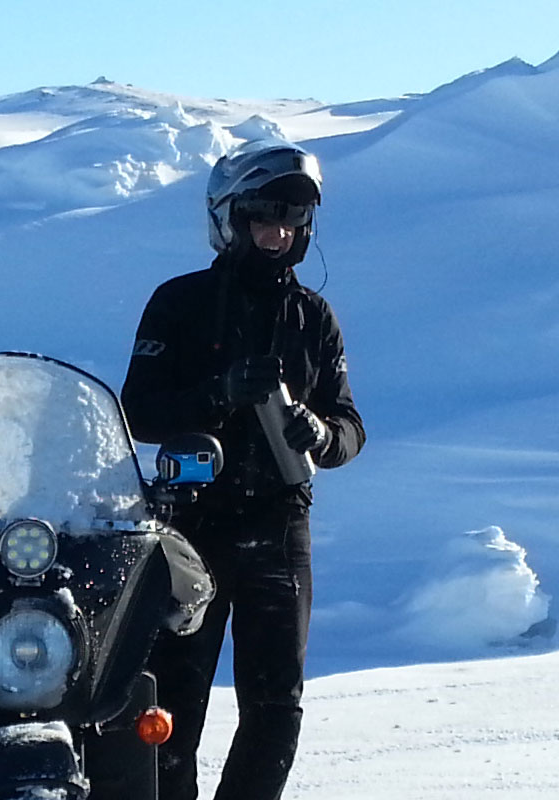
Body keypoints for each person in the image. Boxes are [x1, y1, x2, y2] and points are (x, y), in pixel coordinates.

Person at [121, 140, 366, 800]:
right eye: (263, 216)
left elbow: (351, 429)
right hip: (187, 527)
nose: (277, 233)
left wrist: (318, 433)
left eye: (290, 220)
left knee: (276, 708)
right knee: (172, 701)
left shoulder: (313, 317)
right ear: (229, 218)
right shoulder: (178, 302)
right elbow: (137, 413)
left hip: (279, 527)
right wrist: (218, 392)